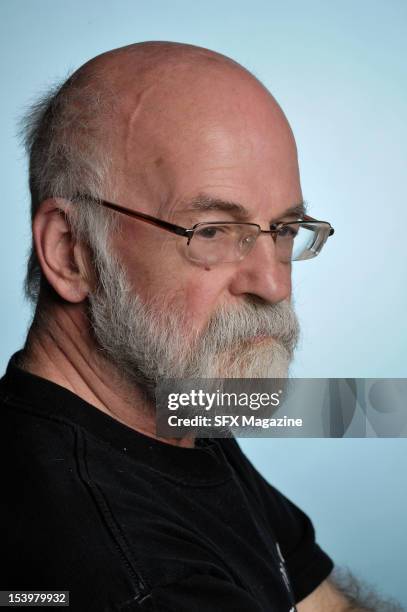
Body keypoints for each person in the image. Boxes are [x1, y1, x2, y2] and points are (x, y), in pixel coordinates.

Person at [0, 42, 399, 611]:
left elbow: (322, 604)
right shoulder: (125, 573)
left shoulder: (168, 409)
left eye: (284, 230)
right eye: (211, 231)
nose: (273, 284)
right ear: (70, 251)